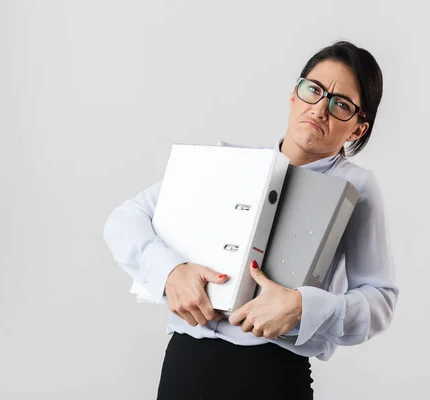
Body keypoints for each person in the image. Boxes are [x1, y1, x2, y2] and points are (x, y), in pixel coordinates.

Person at [103, 40, 398, 400]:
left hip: (272, 375)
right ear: (294, 95)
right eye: (314, 90)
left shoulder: (358, 188)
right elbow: (125, 218)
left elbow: (380, 300)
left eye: (341, 105)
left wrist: (302, 306)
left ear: (357, 129)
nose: (320, 109)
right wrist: (169, 271)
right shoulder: (231, 163)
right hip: (186, 364)